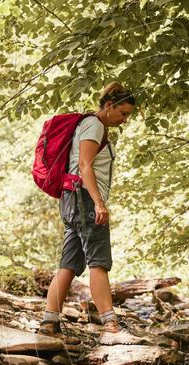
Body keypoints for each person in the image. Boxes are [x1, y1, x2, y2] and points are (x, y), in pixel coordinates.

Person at [40, 82, 136, 336]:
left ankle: (49, 321)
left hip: (73, 199)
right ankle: (111, 324)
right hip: (84, 199)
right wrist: (99, 202)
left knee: (70, 263)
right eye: (123, 113)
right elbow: (85, 165)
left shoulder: (91, 125)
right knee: (98, 261)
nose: (124, 120)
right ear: (108, 106)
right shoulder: (94, 125)